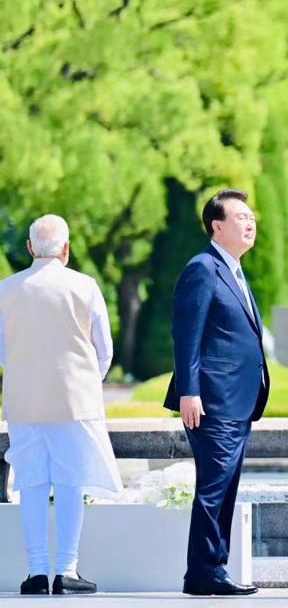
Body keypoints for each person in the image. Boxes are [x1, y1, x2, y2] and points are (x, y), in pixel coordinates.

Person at [0, 214, 122, 596]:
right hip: (75, 400)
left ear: (30, 248)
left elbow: (3, 350)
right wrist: (86, 380)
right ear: (66, 249)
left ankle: (37, 571)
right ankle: (67, 569)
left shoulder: (6, 289)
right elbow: (104, 348)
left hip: (23, 400)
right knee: (71, 482)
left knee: (31, 482)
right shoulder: (85, 286)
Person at [163, 189, 269, 596]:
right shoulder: (203, 269)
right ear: (217, 226)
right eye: (241, 217)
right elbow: (186, 334)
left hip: (238, 401)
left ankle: (210, 570)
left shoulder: (234, 271)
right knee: (214, 487)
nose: (250, 222)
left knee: (224, 487)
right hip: (212, 401)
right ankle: (205, 572)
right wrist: (189, 392)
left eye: (251, 217)